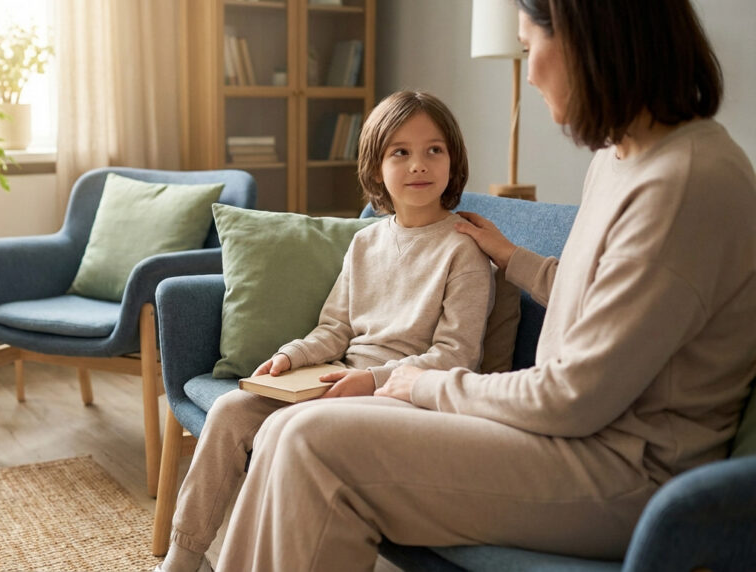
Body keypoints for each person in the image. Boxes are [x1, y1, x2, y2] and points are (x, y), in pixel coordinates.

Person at [214, 0, 756, 570]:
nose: (530, 72)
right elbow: (601, 301)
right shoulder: (620, 157)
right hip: (578, 438)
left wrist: (418, 385)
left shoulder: (683, 185)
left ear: (588, 42)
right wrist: (514, 258)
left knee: (311, 444)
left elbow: (571, 398)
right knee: (287, 430)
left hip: (625, 470)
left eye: (530, 49)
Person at [156, 91, 496, 572]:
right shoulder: (366, 241)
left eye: (433, 150)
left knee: (280, 428)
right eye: (400, 152)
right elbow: (334, 328)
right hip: (340, 378)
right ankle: (185, 555)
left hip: (403, 394)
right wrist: (291, 358)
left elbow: (456, 355)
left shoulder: (464, 250)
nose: (418, 165)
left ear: (452, 160)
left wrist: (374, 381)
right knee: (232, 409)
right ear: (376, 167)